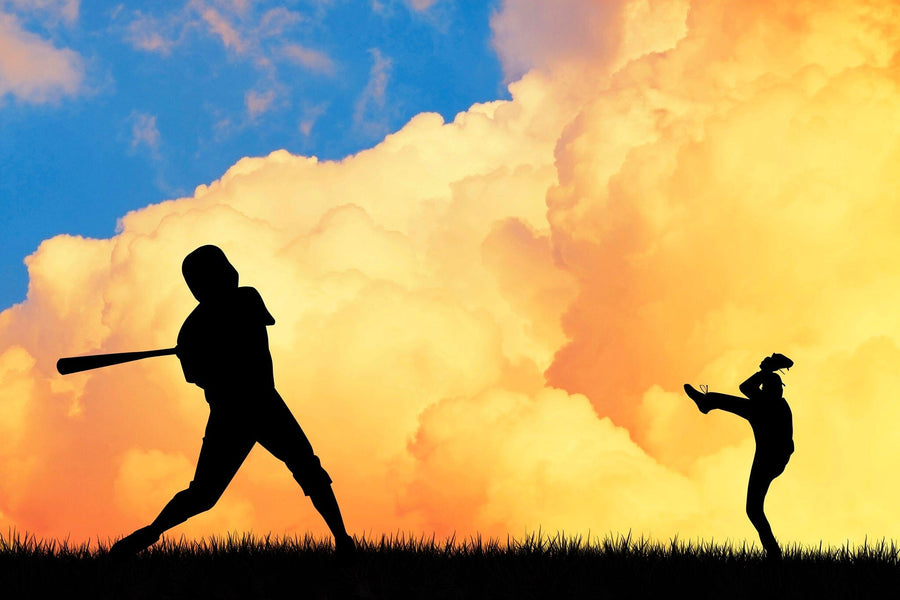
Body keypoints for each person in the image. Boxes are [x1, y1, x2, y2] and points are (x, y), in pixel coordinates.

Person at [110, 245, 354, 556]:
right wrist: (196, 354)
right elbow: (198, 377)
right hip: (237, 412)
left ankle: (342, 540)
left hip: (261, 404)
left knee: (307, 467)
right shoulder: (192, 332)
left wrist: (207, 346)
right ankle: (151, 532)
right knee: (206, 494)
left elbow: (255, 327)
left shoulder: (242, 302)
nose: (229, 274)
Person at [684, 353, 794, 559]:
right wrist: (767, 372)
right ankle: (774, 554)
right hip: (774, 459)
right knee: (753, 509)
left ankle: (774, 554)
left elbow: (744, 388)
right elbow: (746, 390)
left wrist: (764, 372)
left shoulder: (768, 406)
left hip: (769, 460)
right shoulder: (775, 404)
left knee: (753, 509)